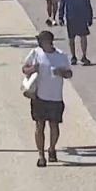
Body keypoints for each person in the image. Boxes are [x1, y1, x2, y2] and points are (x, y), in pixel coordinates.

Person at [22, 30, 73, 167]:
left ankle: (51, 148)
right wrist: (33, 68)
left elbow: (69, 74)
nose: (39, 42)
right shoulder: (36, 53)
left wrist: (61, 72)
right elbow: (24, 69)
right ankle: (41, 155)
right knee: (39, 125)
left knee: (54, 126)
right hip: (39, 96)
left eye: (41, 40)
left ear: (48, 41)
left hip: (56, 97)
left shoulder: (61, 56)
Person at [60, 0, 94, 65]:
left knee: (83, 37)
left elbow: (88, 4)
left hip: (82, 17)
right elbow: (62, 4)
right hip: (71, 18)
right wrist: (60, 17)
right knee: (71, 38)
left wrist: (90, 17)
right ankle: (73, 56)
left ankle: (84, 56)